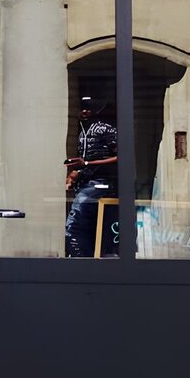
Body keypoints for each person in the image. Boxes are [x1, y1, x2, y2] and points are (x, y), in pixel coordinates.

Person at [64, 95, 118, 258]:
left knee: (74, 225)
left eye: (88, 108)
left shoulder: (105, 129)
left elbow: (122, 156)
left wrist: (86, 164)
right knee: (88, 224)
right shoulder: (83, 131)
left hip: (101, 182)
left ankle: (81, 260)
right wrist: (77, 174)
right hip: (87, 182)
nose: (84, 111)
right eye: (82, 108)